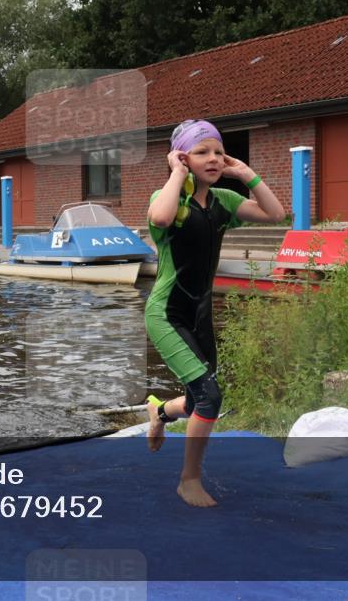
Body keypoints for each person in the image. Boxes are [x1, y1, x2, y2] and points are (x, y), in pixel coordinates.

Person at [145, 119, 285, 507]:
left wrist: (246, 174)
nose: (213, 158)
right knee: (210, 396)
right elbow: (159, 218)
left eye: (218, 152)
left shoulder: (223, 201)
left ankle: (159, 410)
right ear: (183, 156)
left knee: (194, 401)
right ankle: (188, 481)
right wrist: (176, 172)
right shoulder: (169, 198)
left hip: (199, 316)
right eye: (201, 151)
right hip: (167, 314)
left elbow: (275, 215)